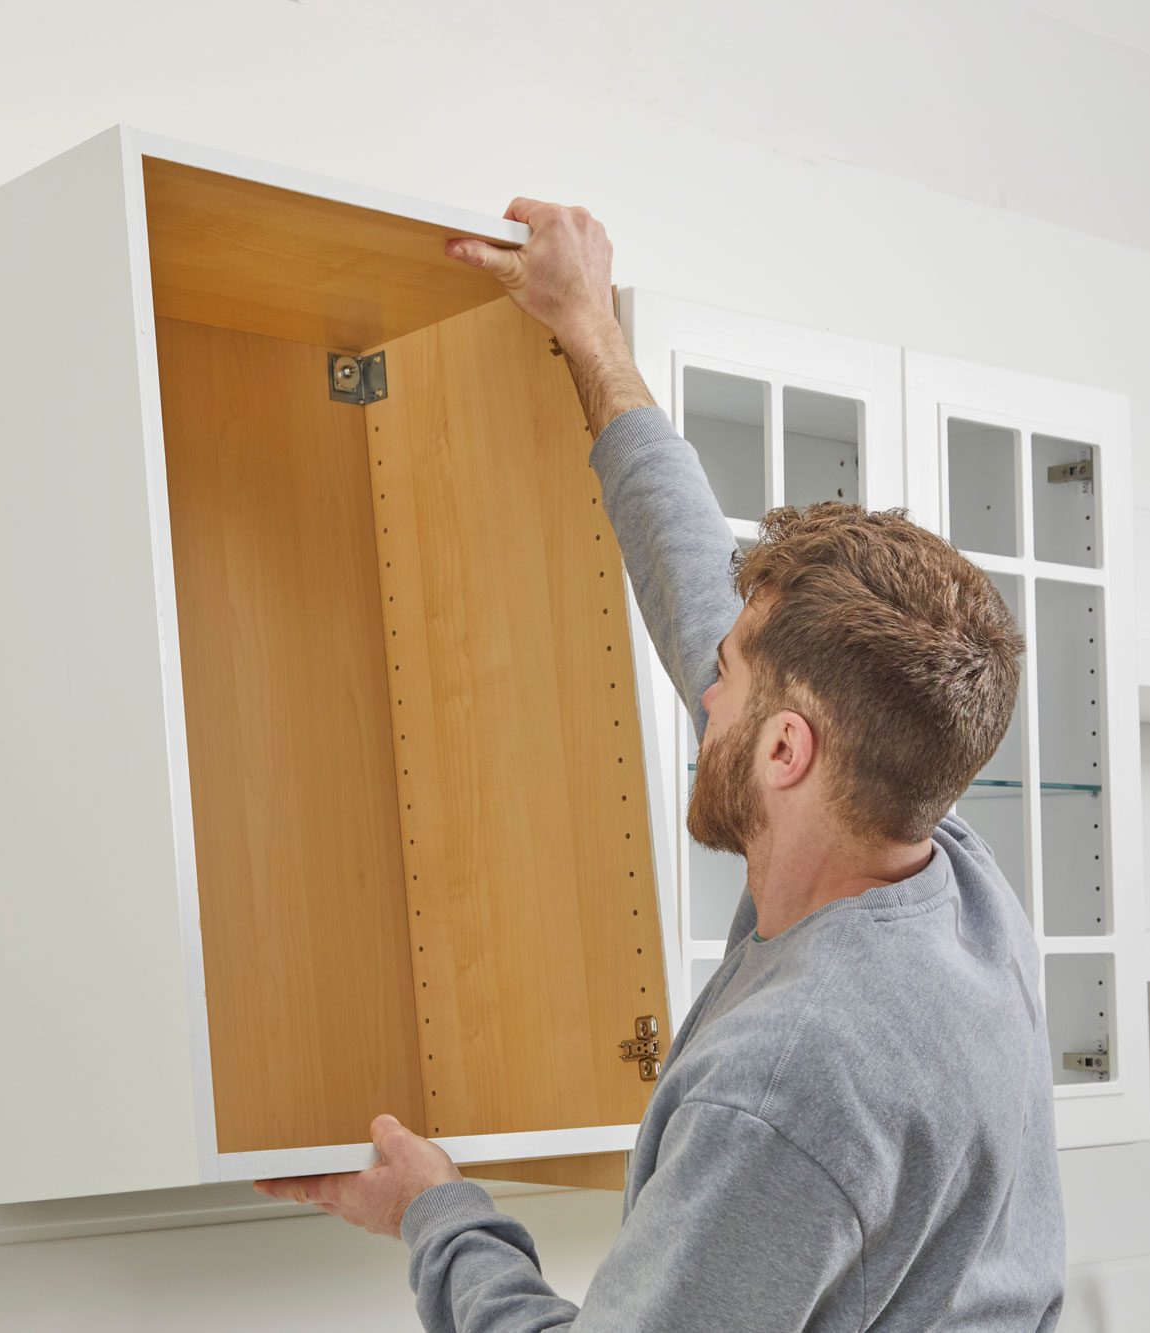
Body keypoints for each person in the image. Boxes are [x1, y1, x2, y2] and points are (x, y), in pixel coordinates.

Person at [256, 200, 1066, 1332]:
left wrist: (437, 1214)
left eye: (725, 678)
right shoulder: (951, 882)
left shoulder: (790, 1077)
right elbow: (696, 584)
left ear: (785, 750)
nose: (702, 689)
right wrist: (590, 334)